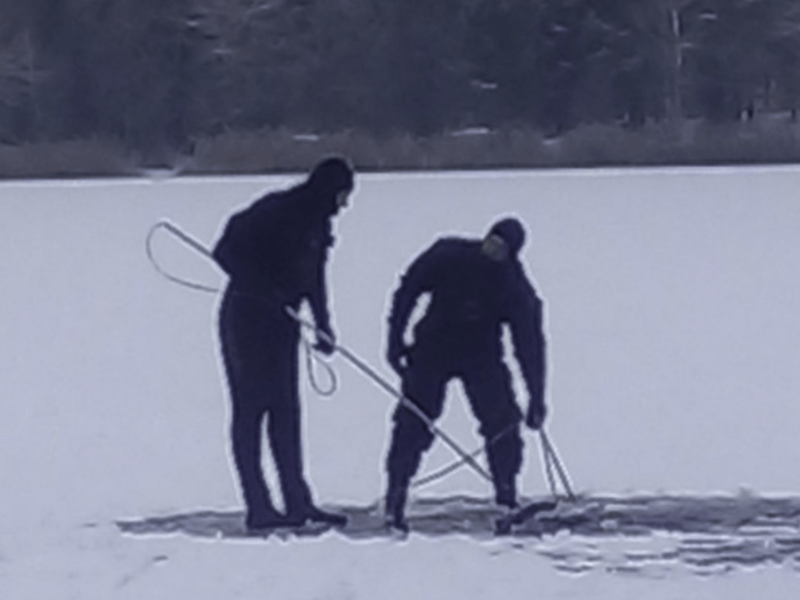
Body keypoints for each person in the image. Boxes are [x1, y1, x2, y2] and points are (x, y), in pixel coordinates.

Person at [212, 157, 354, 530]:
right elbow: (224, 250)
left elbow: (314, 279)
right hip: (245, 319)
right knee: (251, 410)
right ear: (328, 189)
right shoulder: (276, 210)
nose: (345, 205)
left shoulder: (318, 225)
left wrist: (323, 325)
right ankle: (258, 506)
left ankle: (297, 502)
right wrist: (262, 288)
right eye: (342, 195)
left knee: (286, 413)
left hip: (282, 323)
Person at [383, 217, 548, 532]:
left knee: (503, 421)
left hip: (482, 355)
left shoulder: (512, 283)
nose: (492, 250)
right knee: (414, 419)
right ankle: (396, 491)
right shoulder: (449, 254)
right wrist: (394, 339)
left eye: (500, 248)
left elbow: (529, 342)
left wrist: (536, 396)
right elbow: (408, 288)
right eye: (491, 241)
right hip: (433, 348)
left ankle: (506, 493)